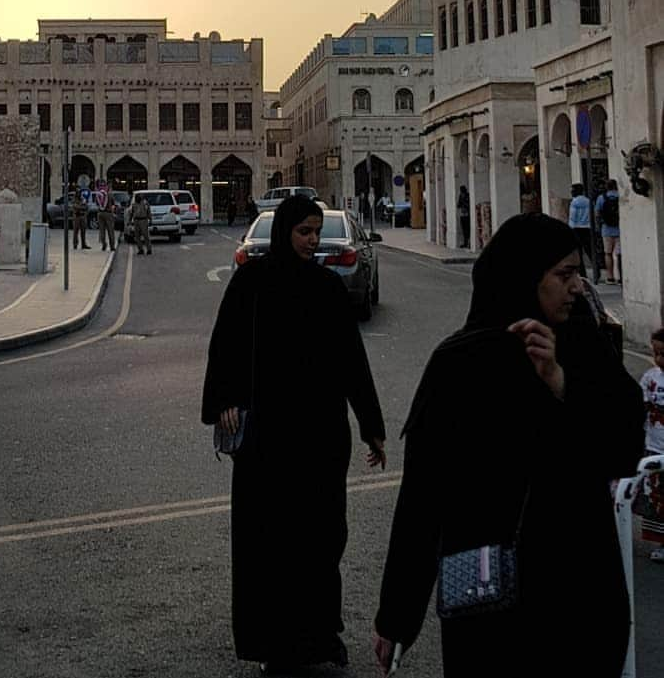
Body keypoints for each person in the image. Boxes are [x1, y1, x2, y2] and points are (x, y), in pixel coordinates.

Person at [373, 213, 644, 678]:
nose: (577, 286)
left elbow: (625, 448)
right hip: (491, 606)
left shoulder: (582, 347)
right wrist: (397, 617)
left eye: (578, 272)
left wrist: (562, 385)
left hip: (580, 601)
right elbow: (423, 498)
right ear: (525, 275)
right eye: (564, 274)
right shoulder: (460, 363)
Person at [202, 195, 387, 672]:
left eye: (315, 232)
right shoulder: (253, 282)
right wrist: (224, 399)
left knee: (322, 541)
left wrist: (371, 425)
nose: (310, 241)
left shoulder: (326, 287)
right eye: (303, 232)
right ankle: (271, 643)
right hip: (268, 438)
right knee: (269, 543)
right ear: (286, 230)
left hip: (321, 438)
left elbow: (351, 360)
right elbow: (226, 343)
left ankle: (322, 636)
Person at [639, 328, 664, 563]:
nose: (658, 359)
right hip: (655, 448)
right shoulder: (650, 378)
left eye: (663, 354)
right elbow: (641, 409)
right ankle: (661, 542)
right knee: (658, 498)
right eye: (655, 353)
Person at [595, 179, 621, 284]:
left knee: (608, 253)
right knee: (619, 254)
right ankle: (620, 277)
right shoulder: (620, 196)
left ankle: (610, 277)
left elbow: (597, 213)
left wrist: (598, 225)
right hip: (620, 229)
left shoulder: (601, 198)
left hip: (606, 229)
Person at [567, 182, 593, 278]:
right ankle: (596, 270)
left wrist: (569, 228)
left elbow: (572, 217)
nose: (571, 192)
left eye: (572, 190)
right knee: (589, 250)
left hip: (576, 228)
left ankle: (583, 273)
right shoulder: (588, 201)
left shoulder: (574, 202)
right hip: (587, 227)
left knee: (578, 252)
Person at [97, 181, 116, 252]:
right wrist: (113, 211)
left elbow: (97, 203)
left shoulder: (98, 194)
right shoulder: (109, 194)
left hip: (100, 213)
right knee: (110, 230)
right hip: (108, 213)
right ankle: (112, 246)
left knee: (102, 231)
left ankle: (104, 244)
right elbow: (113, 204)